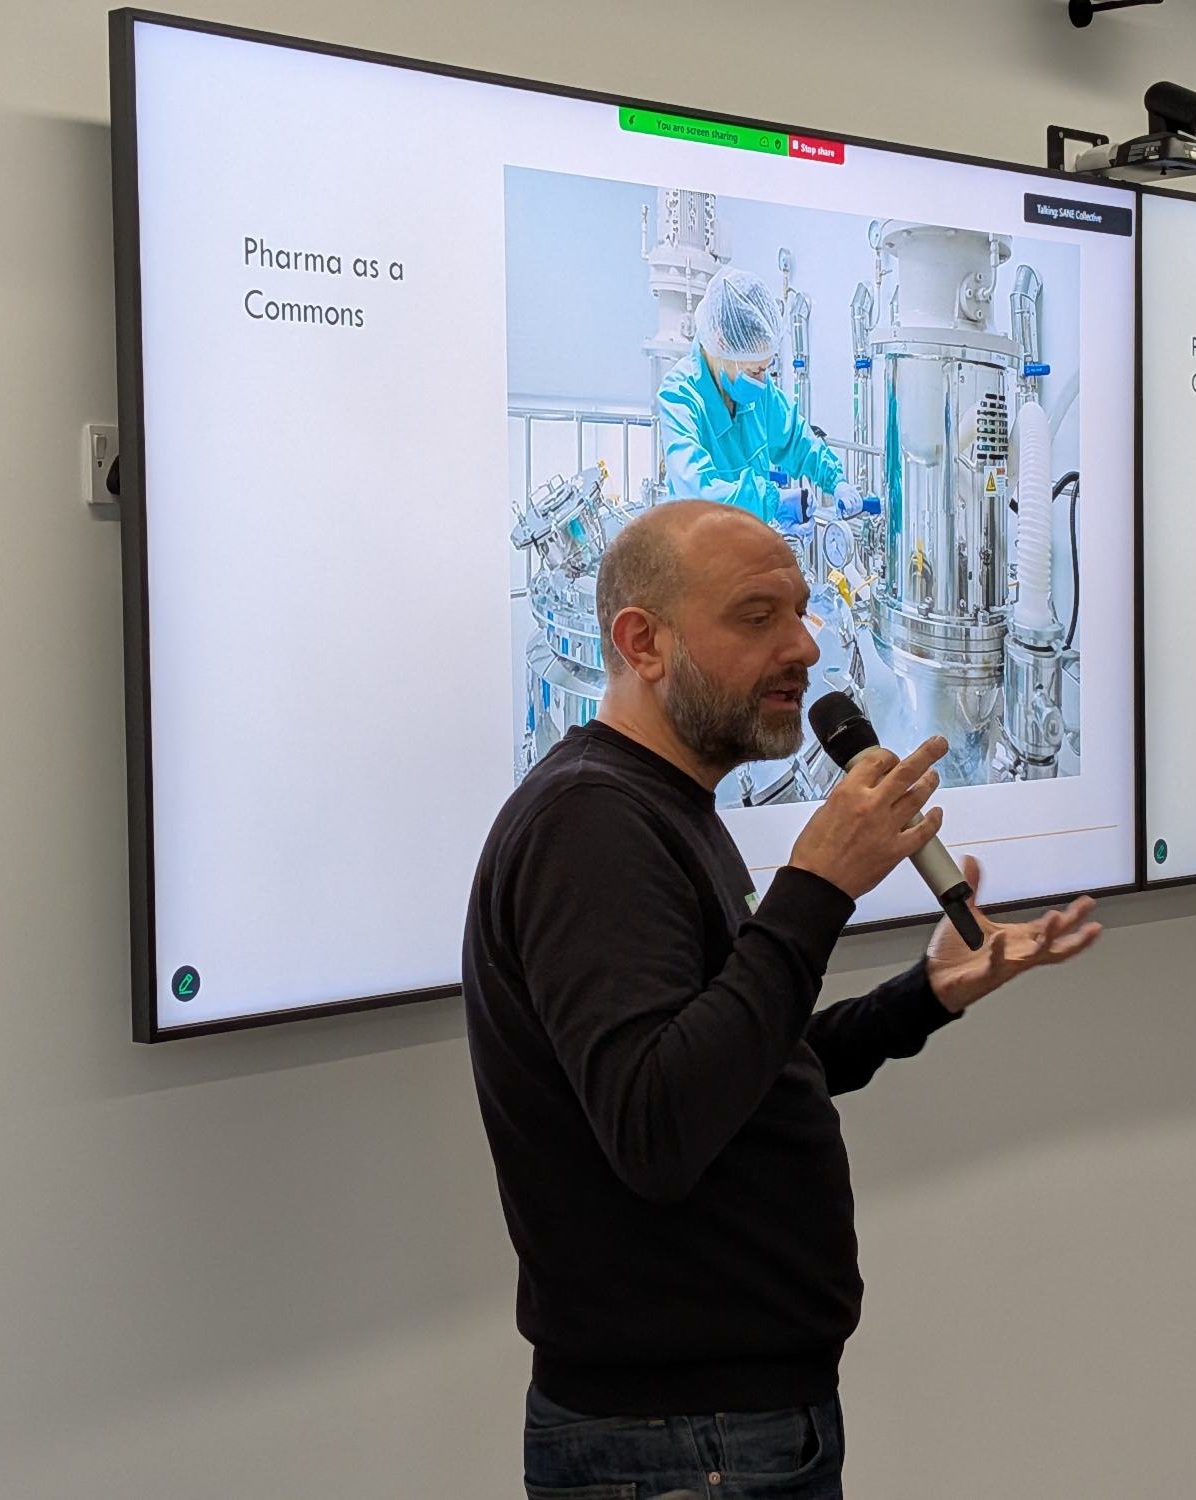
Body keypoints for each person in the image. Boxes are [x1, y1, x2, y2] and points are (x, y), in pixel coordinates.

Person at [463, 501, 1101, 1499]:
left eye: (800, 612)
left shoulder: (657, 807)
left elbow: (739, 1070)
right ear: (642, 643)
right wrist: (815, 887)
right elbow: (658, 1122)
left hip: (719, 1432)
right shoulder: (590, 826)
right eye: (757, 616)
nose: (803, 646)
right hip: (680, 1446)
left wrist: (923, 997)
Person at [658, 267, 876, 527]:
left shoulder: (755, 389)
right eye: (755, 370)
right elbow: (697, 492)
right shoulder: (680, 396)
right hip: (696, 543)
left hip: (747, 537)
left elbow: (795, 439)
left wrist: (835, 480)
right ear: (721, 343)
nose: (762, 381)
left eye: (766, 368)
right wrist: (772, 502)